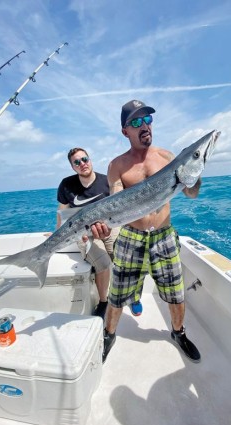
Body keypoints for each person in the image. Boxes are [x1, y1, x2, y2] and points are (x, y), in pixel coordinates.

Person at [91, 99, 202, 364]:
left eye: (148, 120)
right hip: (130, 236)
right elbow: (115, 202)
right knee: (118, 294)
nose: (145, 126)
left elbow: (191, 193)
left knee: (176, 293)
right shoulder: (117, 165)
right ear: (125, 131)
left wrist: (196, 173)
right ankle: (110, 333)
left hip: (164, 235)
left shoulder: (166, 157)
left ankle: (178, 332)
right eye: (136, 122)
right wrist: (102, 226)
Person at [57, 147, 119, 319]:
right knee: (104, 263)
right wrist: (56, 233)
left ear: (90, 159)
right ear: (72, 167)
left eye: (84, 159)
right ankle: (104, 301)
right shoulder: (66, 185)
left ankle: (130, 295)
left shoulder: (107, 181)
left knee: (122, 256)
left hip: (110, 227)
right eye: (76, 162)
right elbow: (62, 213)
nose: (82, 164)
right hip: (84, 233)